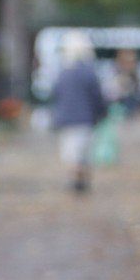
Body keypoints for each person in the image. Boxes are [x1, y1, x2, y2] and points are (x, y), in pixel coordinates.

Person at [50, 31, 109, 193]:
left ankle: (75, 178)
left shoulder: (63, 72)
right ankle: (82, 179)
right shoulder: (89, 72)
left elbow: (55, 95)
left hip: (66, 119)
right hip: (86, 119)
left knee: (72, 152)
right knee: (84, 152)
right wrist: (102, 113)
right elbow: (97, 96)